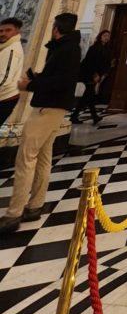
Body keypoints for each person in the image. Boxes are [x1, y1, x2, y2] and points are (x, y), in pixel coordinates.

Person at [0, 12, 82, 234]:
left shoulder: (66, 49)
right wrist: (38, 78)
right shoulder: (69, 48)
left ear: (56, 29)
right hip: (55, 107)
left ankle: (13, 213)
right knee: (44, 157)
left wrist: (31, 85)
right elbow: (58, 77)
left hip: (48, 108)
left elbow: (59, 81)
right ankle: (35, 205)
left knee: (25, 157)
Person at [71, 29, 112, 125]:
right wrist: (95, 74)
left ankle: (75, 116)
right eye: (105, 35)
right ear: (100, 36)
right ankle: (94, 116)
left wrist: (103, 74)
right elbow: (90, 62)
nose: (106, 38)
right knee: (90, 95)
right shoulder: (94, 48)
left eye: (108, 36)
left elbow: (105, 63)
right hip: (88, 74)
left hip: (95, 74)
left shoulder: (106, 49)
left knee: (87, 96)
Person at [0, 17, 24, 126]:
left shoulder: (11, 50)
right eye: (1, 31)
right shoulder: (5, 47)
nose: (3, 33)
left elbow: (4, 79)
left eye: (8, 30)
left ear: (17, 31)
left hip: (4, 99)